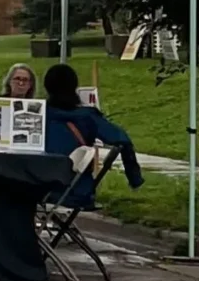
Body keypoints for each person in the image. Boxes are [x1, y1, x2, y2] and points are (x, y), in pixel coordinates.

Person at [41, 63, 143, 204]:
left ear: (47, 86)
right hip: (76, 188)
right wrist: (134, 178)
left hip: (39, 187)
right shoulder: (88, 117)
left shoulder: (39, 115)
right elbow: (122, 139)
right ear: (74, 86)